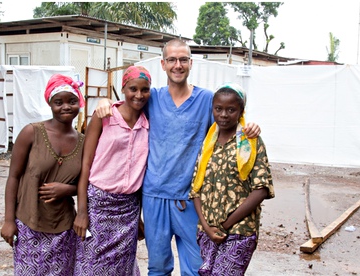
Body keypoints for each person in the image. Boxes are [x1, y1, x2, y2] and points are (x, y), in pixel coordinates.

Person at [95, 38, 261, 275]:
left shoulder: (206, 100)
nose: (177, 65)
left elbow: (230, 120)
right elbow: (128, 105)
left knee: (196, 268)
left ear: (191, 63)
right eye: (172, 59)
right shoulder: (153, 99)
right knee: (159, 267)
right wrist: (105, 102)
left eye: (183, 59)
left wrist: (250, 126)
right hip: (154, 197)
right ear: (163, 64)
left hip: (191, 199)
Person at [0, 74, 85, 275]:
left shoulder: (84, 142)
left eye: (72, 101)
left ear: (79, 103)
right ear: (50, 103)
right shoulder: (32, 133)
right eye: (59, 102)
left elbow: (87, 184)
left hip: (64, 228)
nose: (66, 107)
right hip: (29, 223)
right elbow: (13, 177)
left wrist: (68, 189)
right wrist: (9, 220)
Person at [189, 82, 275, 275]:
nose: (224, 115)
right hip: (207, 231)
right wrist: (207, 227)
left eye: (231, 110)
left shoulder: (250, 142)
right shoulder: (208, 143)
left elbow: (261, 188)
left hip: (239, 231)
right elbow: (196, 189)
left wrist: (225, 225)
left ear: (241, 111)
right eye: (218, 109)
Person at [73, 65, 151, 275]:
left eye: (145, 90)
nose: (138, 95)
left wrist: (140, 216)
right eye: (133, 89)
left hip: (129, 209)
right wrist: (81, 212)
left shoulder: (149, 121)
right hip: (99, 205)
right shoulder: (104, 116)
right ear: (123, 88)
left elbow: (143, 172)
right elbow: (86, 164)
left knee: (123, 267)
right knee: (91, 265)